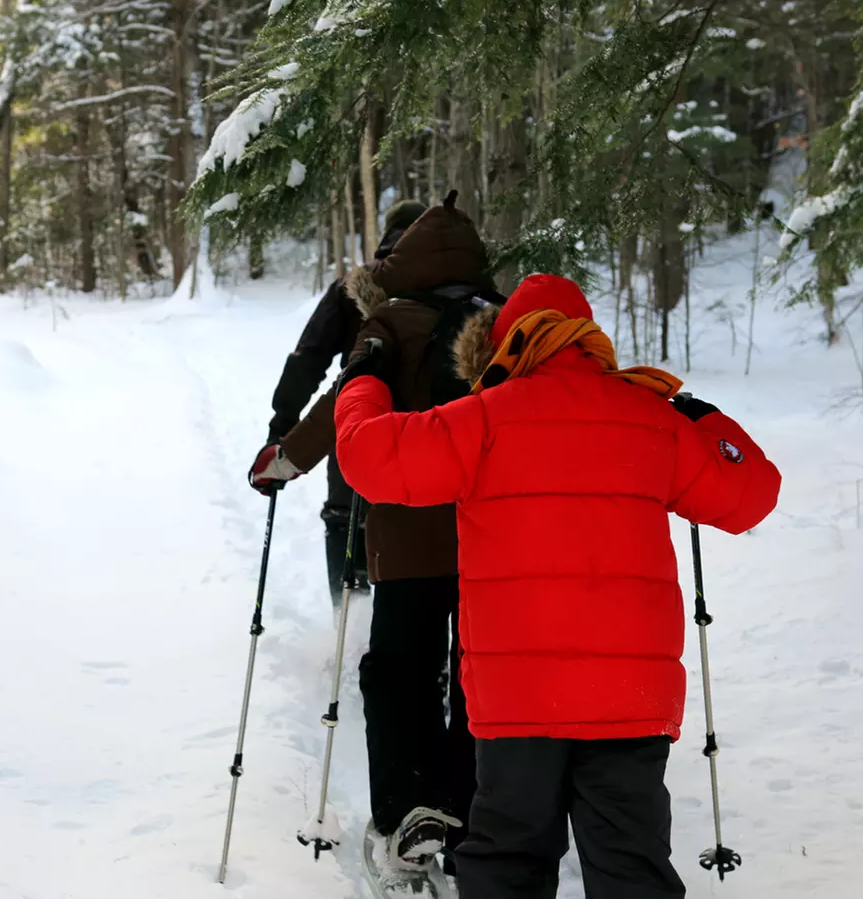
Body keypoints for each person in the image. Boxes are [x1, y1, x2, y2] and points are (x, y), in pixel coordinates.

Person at [332, 273, 782, 899]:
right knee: (632, 865)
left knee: (510, 857)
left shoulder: (484, 418)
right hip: (631, 698)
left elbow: (365, 455)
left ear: (508, 342)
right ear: (589, 337)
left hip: (519, 700)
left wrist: (362, 380)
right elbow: (752, 494)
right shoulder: (650, 417)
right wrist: (699, 414)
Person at [249, 193, 502, 884]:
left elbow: (344, 398)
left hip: (407, 533)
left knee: (397, 673)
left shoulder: (389, 321)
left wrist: (284, 456)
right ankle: (470, 815)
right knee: (481, 679)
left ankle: (405, 818)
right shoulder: (509, 326)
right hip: (497, 540)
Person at [249, 199, 427, 601]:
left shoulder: (354, 284)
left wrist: (282, 429)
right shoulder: (452, 291)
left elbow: (307, 360)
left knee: (346, 520)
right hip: (427, 438)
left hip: (355, 425)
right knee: (421, 539)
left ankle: (351, 630)